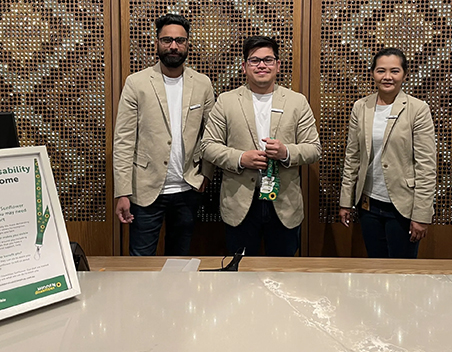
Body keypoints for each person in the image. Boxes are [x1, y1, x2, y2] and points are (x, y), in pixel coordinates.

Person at [201, 36, 321, 256]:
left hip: (284, 203)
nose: (262, 65)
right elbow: (208, 146)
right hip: (240, 203)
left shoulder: (297, 101)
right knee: (241, 274)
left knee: (282, 274)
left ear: (278, 65)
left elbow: (313, 148)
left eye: (268, 59)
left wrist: (286, 152)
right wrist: (240, 158)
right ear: (244, 66)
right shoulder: (226, 101)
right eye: (255, 60)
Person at [113, 13, 215, 256]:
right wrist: (123, 192)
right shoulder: (136, 83)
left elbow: (212, 135)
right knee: (140, 262)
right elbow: (124, 141)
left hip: (188, 189)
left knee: (180, 262)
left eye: (180, 40)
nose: (173, 46)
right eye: (167, 40)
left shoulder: (202, 84)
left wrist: (206, 176)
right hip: (145, 190)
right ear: (156, 42)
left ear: (187, 44)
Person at [338, 48, 437, 258]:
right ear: (373, 73)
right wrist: (346, 201)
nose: (387, 77)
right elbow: (352, 157)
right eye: (381, 70)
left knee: (402, 273)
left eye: (394, 71)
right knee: (376, 267)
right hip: (368, 205)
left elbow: (426, 166)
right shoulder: (361, 107)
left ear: (405, 74)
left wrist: (421, 215)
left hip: (403, 206)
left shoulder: (418, 109)